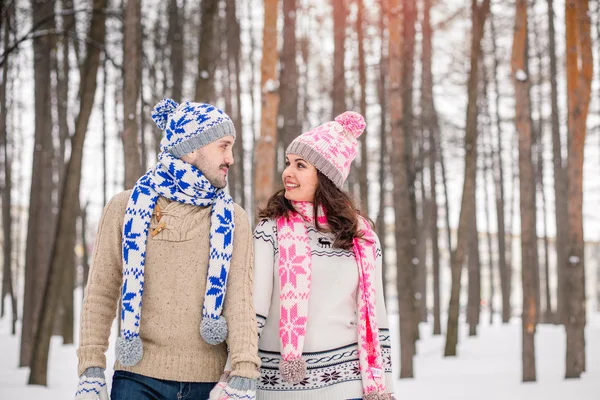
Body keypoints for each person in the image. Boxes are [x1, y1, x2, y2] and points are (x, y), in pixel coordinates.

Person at [74, 99, 260, 400]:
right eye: (223, 146)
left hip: (209, 385)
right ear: (191, 148)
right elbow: (101, 292)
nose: (231, 158)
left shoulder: (233, 218)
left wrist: (244, 371)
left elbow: (239, 299)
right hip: (136, 380)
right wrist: (91, 368)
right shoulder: (125, 208)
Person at [252, 112, 395, 399]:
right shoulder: (270, 231)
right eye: (288, 163)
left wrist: (385, 390)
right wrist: (236, 376)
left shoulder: (362, 238)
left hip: (350, 387)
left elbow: (376, 318)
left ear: (325, 176)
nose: (288, 173)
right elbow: (252, 313)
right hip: (283, 388)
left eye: (301, 165)